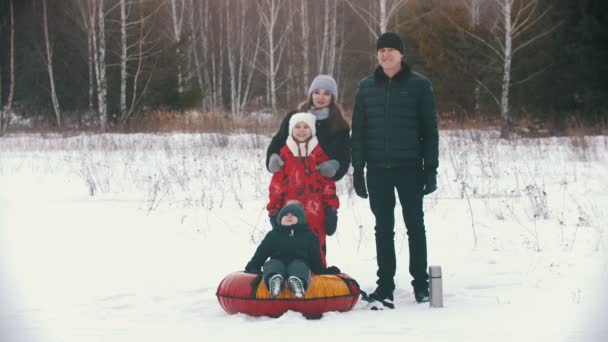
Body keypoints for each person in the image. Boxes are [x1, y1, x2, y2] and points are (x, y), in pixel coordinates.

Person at [350, 32, 439, 308]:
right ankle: (385, 285)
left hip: (410, 168)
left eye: (390, 50)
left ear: (401, 54)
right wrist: (358, 170)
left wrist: (430, 169)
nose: (385, 54)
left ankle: (421, 287)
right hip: (377, 170)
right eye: (381, 50)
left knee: (415, 227)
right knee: (383, 229)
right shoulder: (366, 87)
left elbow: (430, 131)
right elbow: (359, 133)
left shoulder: (419, 86)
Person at [266, 112, 339, 266]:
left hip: (315, 213)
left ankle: (318, 277)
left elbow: (328, 186)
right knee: (290, 245)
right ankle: (292, 276)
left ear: (312, 130)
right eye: (297, 126)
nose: (301, 130)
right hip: (290, 211)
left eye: (306, 127)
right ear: (291, 130)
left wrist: (331, 210)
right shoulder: (284, 154)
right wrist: (274, 211)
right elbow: (276, 186)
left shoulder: (319, 154)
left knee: (315, 245)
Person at [244, 200, 341, 297]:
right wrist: (253, 266)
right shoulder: (273, 235)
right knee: (272, 264)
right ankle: (274, 281)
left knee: (300, 266)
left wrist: (323, 271)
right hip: (278, 261)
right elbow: (261, 253)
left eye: (294, 214)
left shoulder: (309, 237)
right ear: (280, 218)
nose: (289, 216)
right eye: (285, 214)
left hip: (299, 262)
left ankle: (297, 283)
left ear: (301, 219)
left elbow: (315, 258)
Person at [266, 74, 350, 182]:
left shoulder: (339, 125)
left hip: (321, 185)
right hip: (290, 182)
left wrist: (334, 166)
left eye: (326, 93)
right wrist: (273, 157)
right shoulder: (294, 117)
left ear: (332, 97)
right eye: (317, 92)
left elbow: (343, 157)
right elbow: (278, 141)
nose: (320, 97)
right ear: (311, 94)